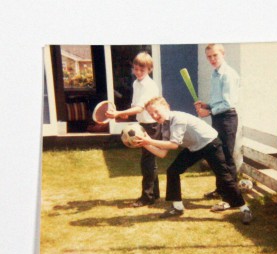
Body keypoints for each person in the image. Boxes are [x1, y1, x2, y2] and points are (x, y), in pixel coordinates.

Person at [134, 97, 253, 225]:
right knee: (173, 171)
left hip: (210, 144)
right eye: (151, 114)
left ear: (166, 107)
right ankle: (177, 207)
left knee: (224, 177)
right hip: (194, 147)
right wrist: (144, 144)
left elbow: (173, 145)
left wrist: (149, 141)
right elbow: (162, 153)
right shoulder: (165, 125)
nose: (155, 116)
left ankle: (245, 210)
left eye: (156, 111)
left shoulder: (178, 119)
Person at [106, 51, 161, 207]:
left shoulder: (150, 86)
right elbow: (135, 106)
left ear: (149, 70)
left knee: (147, 161)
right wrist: (125, 114)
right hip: (142, 124)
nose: (137, 72)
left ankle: (147, 197)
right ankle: (154, 194)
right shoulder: (136, 83)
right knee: (149, 160)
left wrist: (118, 113)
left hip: (151, 125)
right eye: (135, 69)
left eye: (141, 70)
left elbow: (138, 108)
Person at [194, 43, 240, 211]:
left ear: (223, 54)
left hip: (227, 118)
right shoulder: (215, 74)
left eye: (215, 55)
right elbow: (218, 100)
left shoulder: (228, 75)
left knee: (227, 158)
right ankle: (221, 190)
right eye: (209, 56)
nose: (212, 59)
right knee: (217, 156)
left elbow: (228, 103)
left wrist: (209, 112)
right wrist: (207, 105)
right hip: (218, 117)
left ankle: (231, 199)